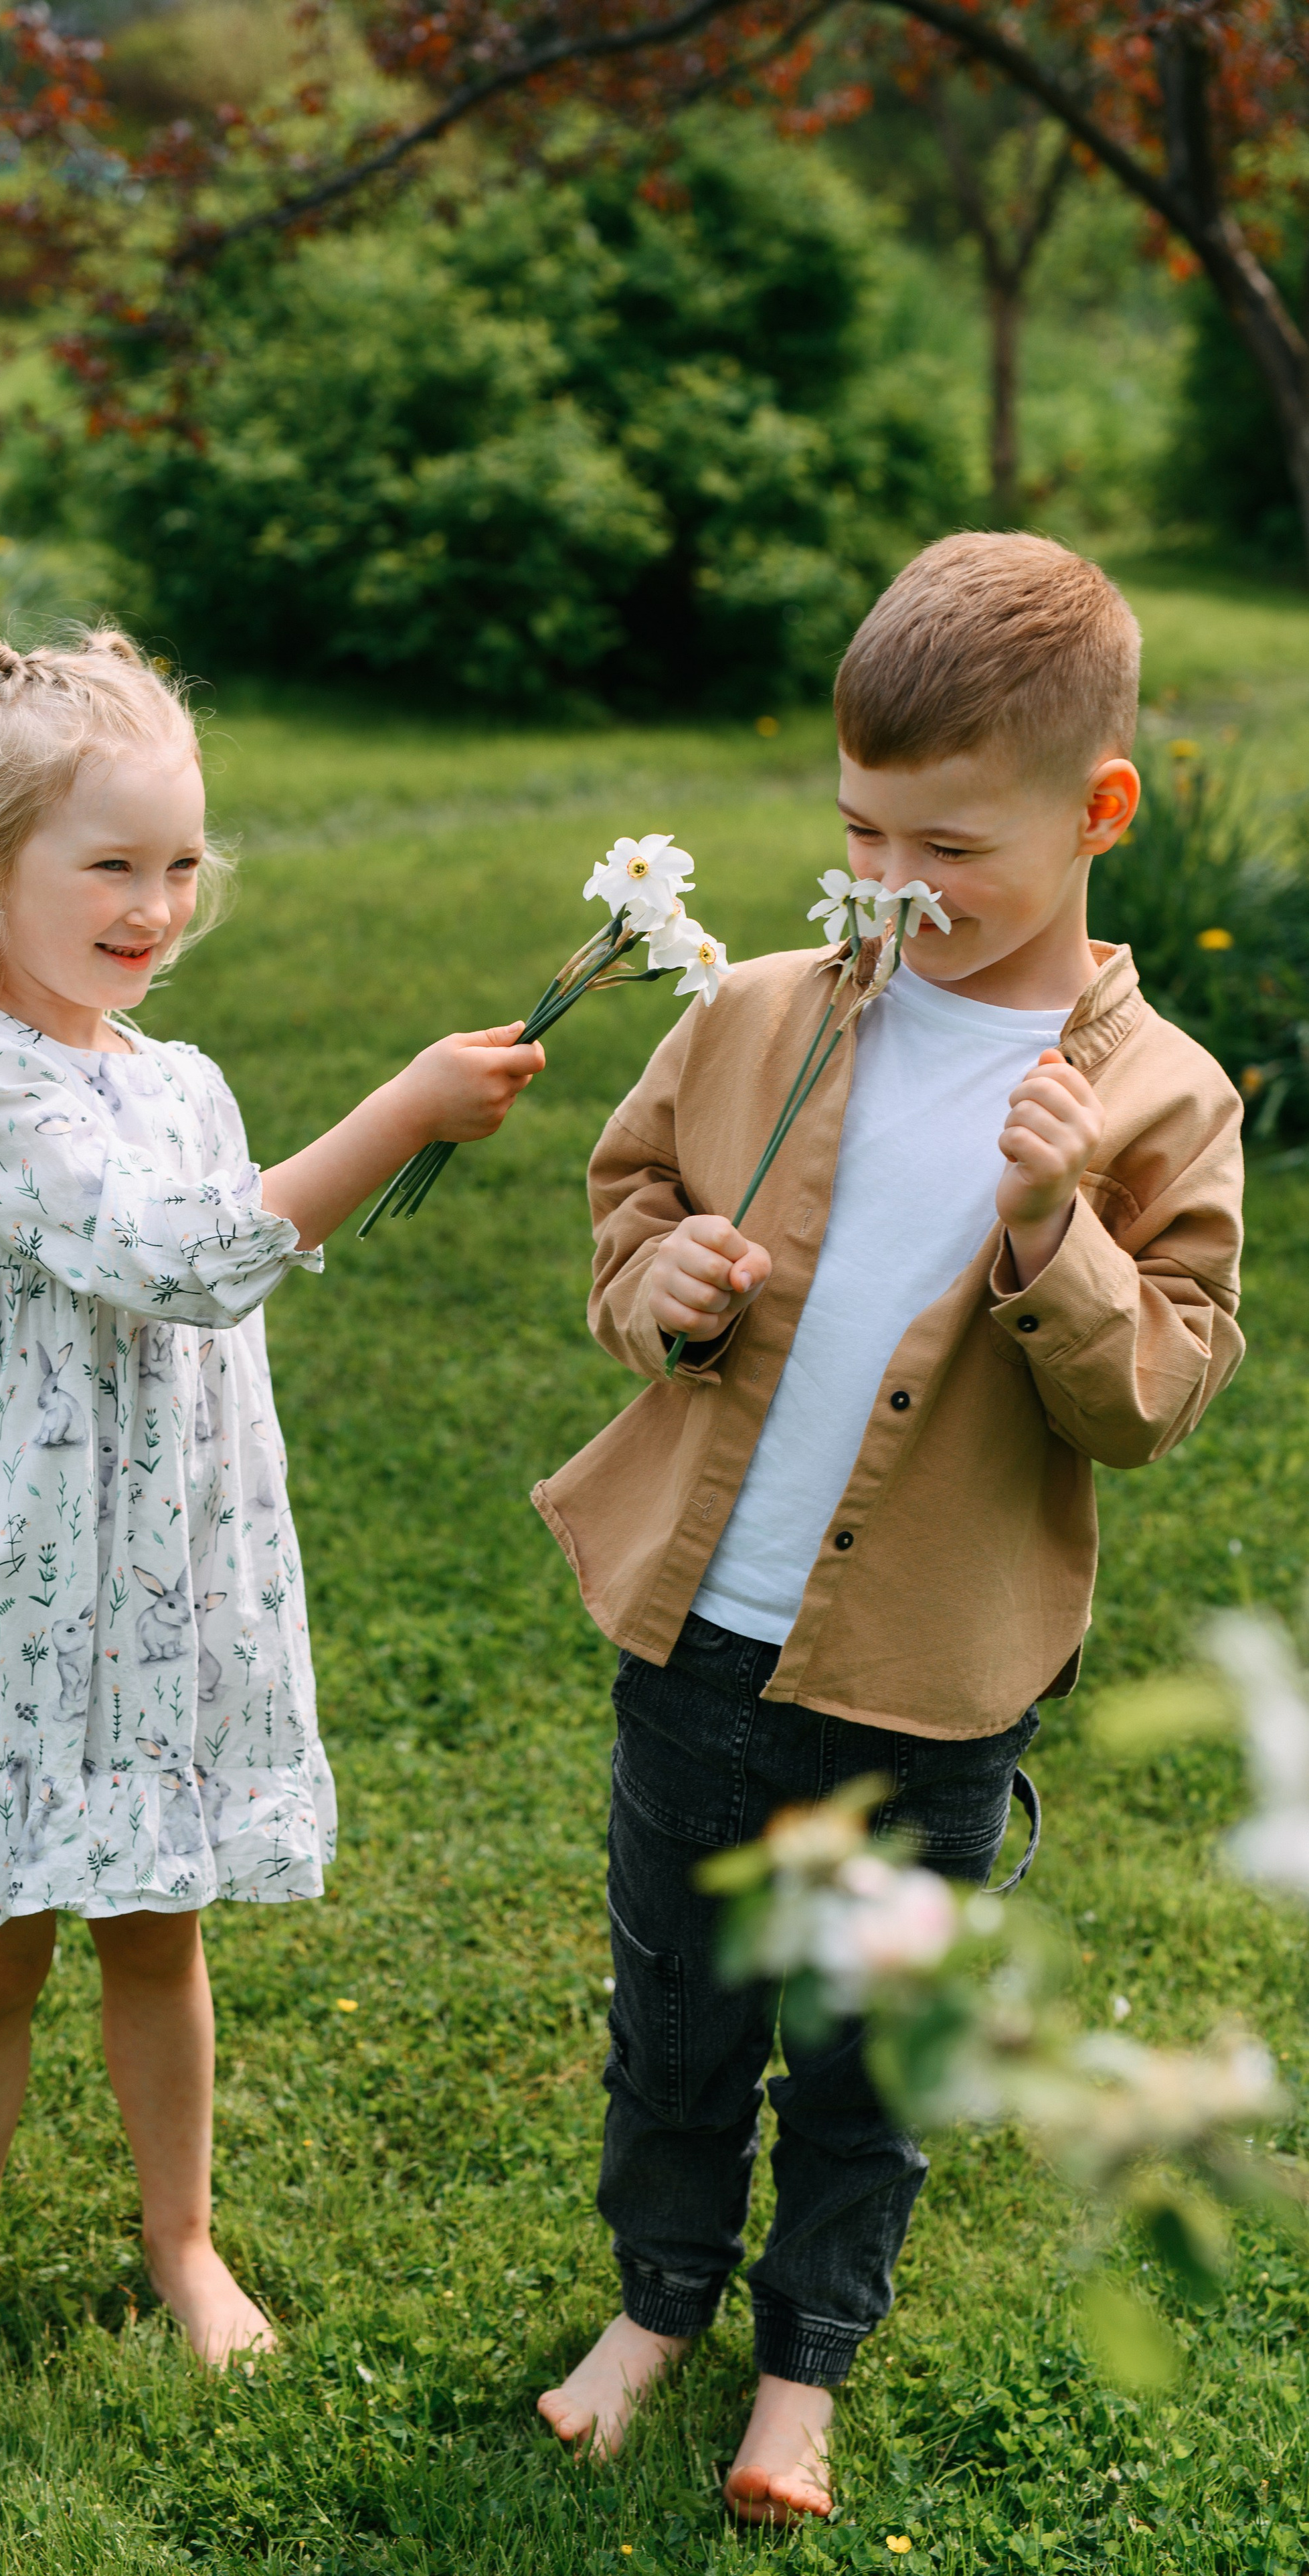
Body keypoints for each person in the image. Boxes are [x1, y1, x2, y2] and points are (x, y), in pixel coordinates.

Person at [529, 534, 1245, 2519]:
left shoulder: (1160, 1103)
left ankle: (803, 2366)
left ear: (1100, 812)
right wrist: (652, 1280)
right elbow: (632, 1193)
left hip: (930, 1687)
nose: (894, 884)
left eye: (951, 846)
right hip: (701, 1644)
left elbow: (1159, 1393)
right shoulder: (766, 1011)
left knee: (863, 2060)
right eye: (861, 831)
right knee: (678, 2007)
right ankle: (655, 2302)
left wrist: (1053, 1231)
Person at [0, 619, 543, 2400]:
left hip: (155, 1579)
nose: (156, 903)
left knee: (155, 1931)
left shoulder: (178, 1079)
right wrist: (401, 1108)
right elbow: (182, 1264)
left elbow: (212, 1279)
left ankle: (180, 2239)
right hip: (11, 1587)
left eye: (182, 861)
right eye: (109, 863)